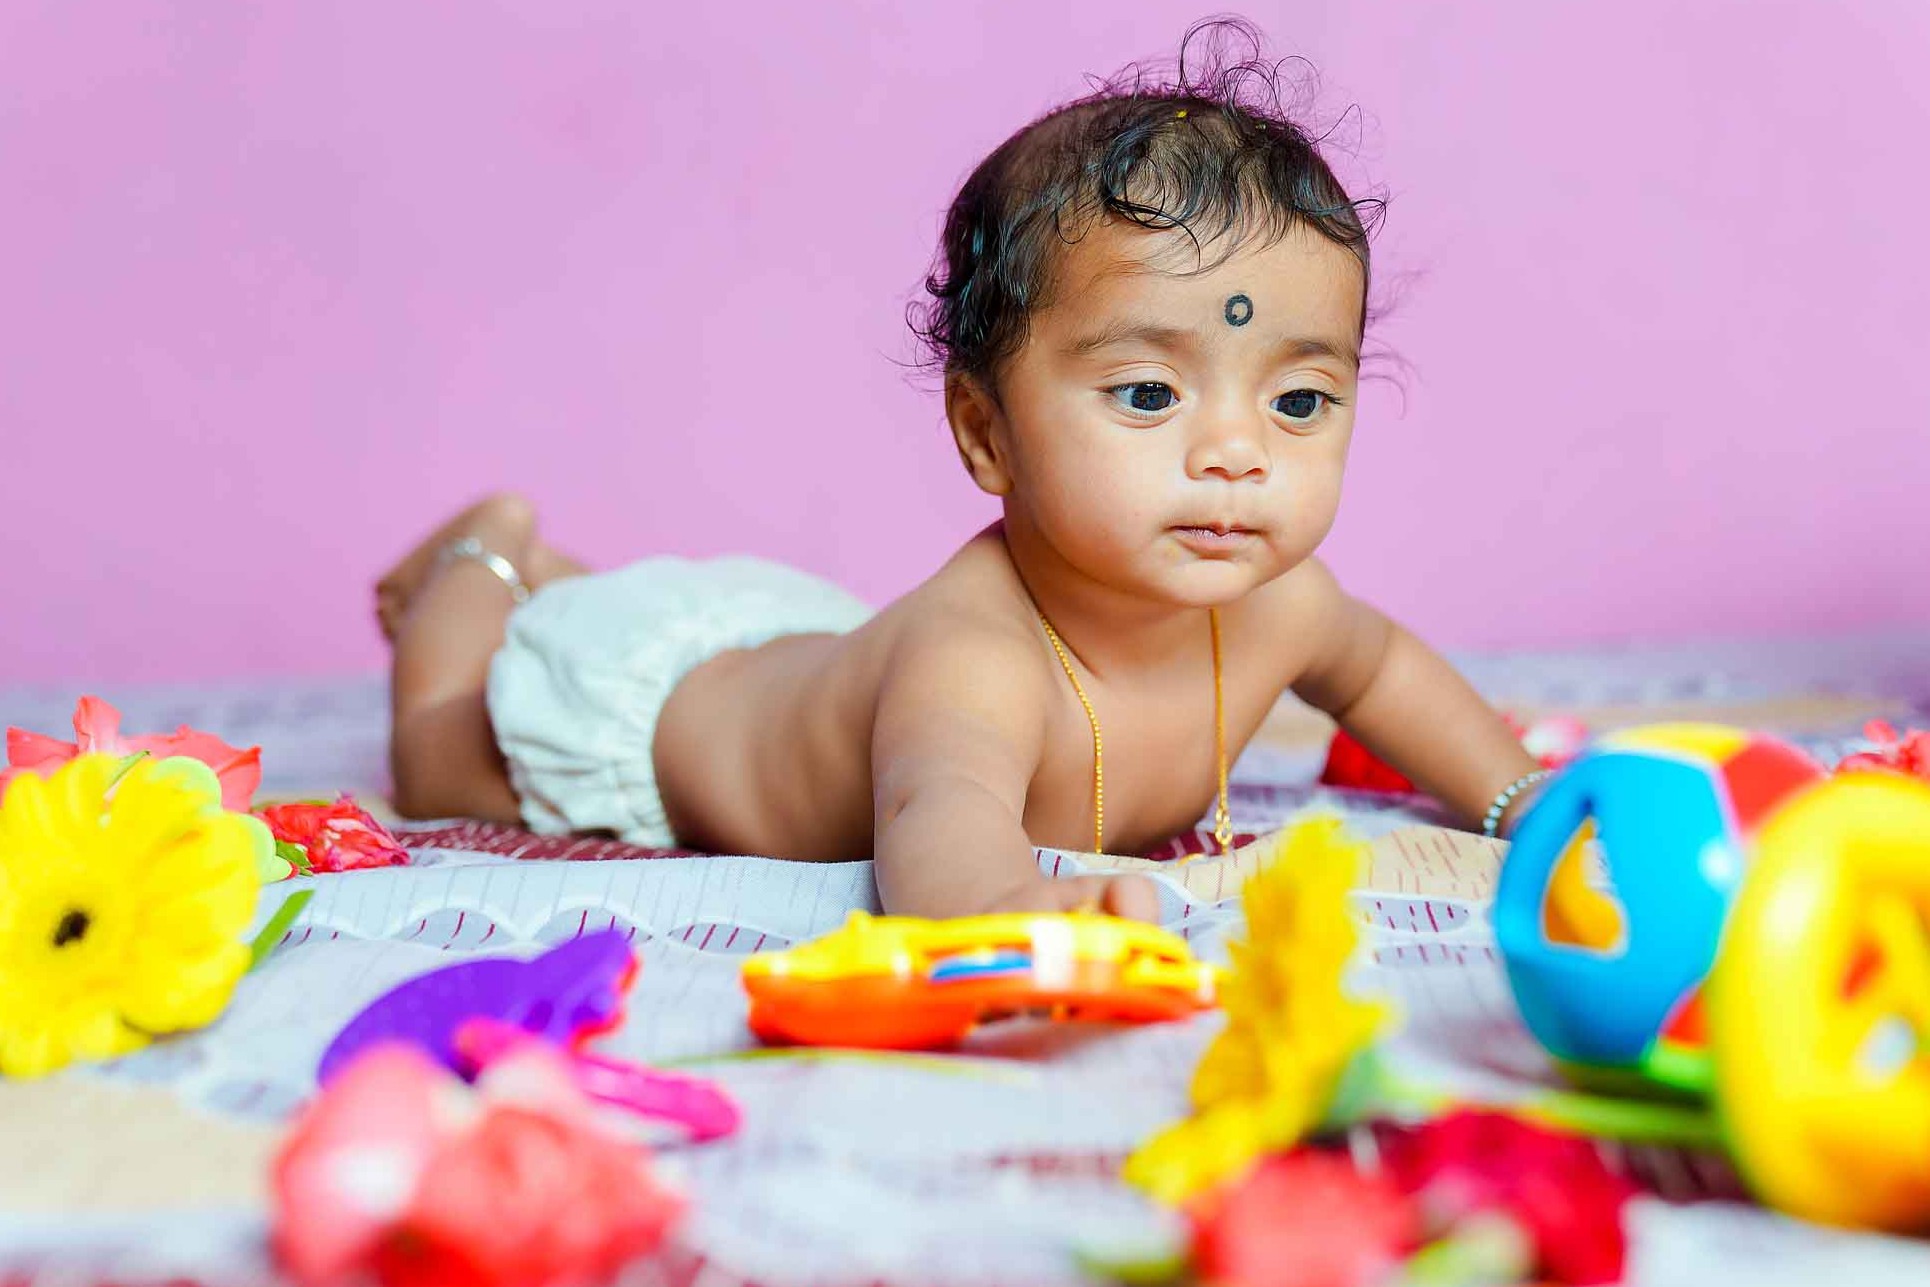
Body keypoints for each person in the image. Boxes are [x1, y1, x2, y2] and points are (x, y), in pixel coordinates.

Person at [373, 22, 1543, 922]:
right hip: (670, 722)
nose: (1237, 453)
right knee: (443, 764)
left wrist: (1519, 803)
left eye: (1298, 401)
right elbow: (939, 818)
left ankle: (551, 573)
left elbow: (1385, 672)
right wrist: (1003, 911)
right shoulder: (975, 658)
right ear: (986, 435)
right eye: (1148, 394)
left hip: (811, 652)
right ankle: (480, 561)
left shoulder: (1284, 604)